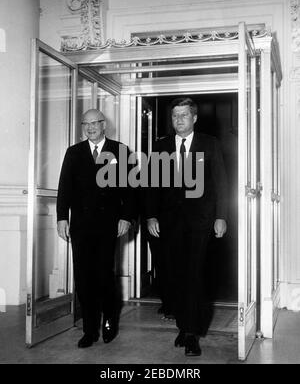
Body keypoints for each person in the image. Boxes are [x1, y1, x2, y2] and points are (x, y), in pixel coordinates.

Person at [146, 97, 227, 356]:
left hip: (200, 222)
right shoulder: (161, 146)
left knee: (194, 275)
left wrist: (220, 216)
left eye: (183, 115)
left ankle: (192, 333)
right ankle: (183, 325)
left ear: (194, 118)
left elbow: (221, 184)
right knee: (175, 275)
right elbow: (151, 186)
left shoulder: (210, 144)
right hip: (169, 223)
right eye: (174, 116)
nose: (178, 120)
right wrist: (151, 216)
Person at [57, 109, 135, 348]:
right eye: (85, 124)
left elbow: (131, 190)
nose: (90, 127)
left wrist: (126, 217)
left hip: (108, 225)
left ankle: (110, 322)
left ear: (104, 125)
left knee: (104, 276)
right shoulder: (74, 152)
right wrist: (62, 218)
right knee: (83, 278)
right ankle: (89, 329)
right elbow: (65, 188)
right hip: (81, 226)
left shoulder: (120, 150)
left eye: (95, 123)